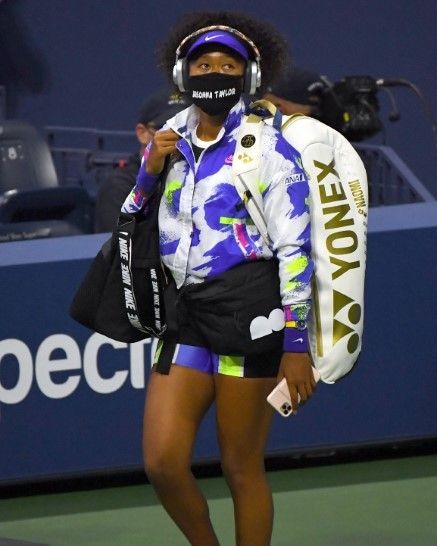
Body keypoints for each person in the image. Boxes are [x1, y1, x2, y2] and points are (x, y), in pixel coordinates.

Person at [120, 11, 316, 546]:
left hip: (250, 316)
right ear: (184, 76)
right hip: (186, 317)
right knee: (162, 462)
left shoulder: (272, 152)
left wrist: (297, 345)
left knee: (241, 467)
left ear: (249, 78)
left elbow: (297, 249)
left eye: (228, 64)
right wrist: (148, 172)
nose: (214, 72)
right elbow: (133, 216)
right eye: (203, 64)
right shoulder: (167, 142)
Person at [94, 89, 188, 232]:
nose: (179, 136)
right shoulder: (119, 186)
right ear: (142, 133)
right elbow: (121, 247)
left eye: (187, 128)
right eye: (168, 128)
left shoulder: (201, 178)